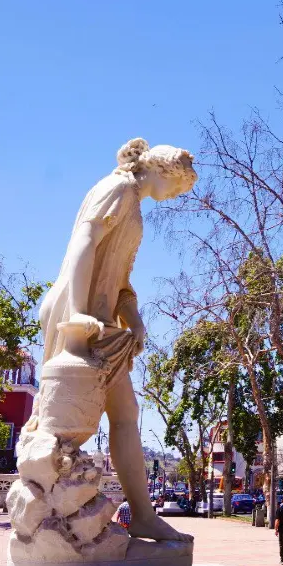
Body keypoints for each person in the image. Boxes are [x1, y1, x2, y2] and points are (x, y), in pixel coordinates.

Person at [37, 138, 196, 544]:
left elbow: (120, 281)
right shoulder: (117, 188)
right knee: (64, 421)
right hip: (79, 318)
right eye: (178, 187)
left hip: (105, 325)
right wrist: (76, 313)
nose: (176, 195)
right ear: (162, 171)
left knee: (126, 415)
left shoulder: (134, 204)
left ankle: (142, 515)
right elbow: (82, 245)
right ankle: (48, 516)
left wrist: (135, 320)